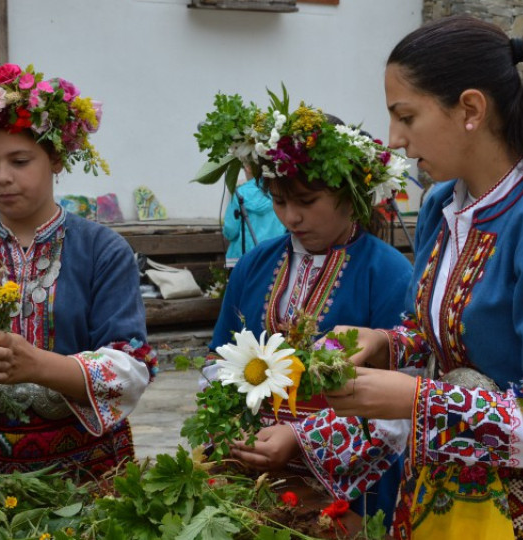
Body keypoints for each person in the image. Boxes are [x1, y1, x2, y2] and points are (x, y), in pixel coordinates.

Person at [321, 16, 523, 540]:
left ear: (470, 109)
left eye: (406, 116)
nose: (395, 140)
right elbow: (441, 341)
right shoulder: (442, 207)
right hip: (436, 493)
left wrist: (412, 400)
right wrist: (384, 344)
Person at [0, 61, 154, 479]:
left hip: (84, 471)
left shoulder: (103, 250)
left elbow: (132, 367)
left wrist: (40, 366)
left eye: (20, 161)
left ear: (56, 159)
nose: (2, 179)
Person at [198, 94, 414, 523]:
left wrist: (300, 439)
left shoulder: (388, 272)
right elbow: (217, 360)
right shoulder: (254, 266)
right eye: (279, 201)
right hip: (254, 464)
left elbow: (400, 404)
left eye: (307, 201)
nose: (290, 217)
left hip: (353, 482)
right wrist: (233, 429)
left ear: (352, 196)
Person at [222, 171, 286, 267]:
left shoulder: (240, 193)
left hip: (241, 258)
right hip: (274, 255)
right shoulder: (280, 192)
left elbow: (231, 231)